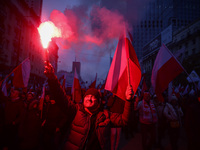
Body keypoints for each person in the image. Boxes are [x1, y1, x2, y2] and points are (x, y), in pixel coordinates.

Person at [44, 62, 134, 150]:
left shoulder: (105, 116)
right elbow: (60, 97)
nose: (89, 98)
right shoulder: (75, 110)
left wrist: (128, 100)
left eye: (93, 97)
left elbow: (124, 120)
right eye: (87, 96)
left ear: (98, 102)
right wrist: (52, 79)